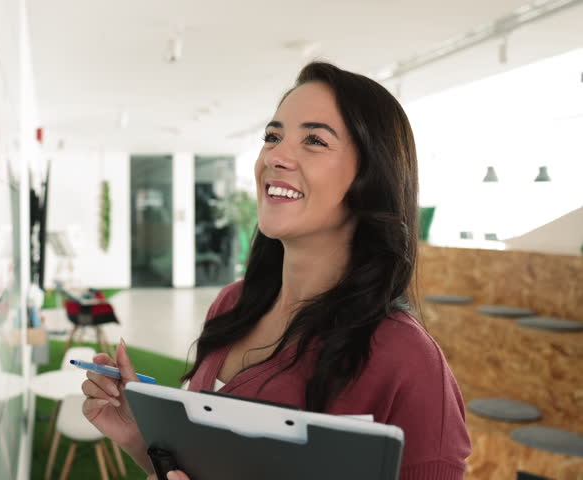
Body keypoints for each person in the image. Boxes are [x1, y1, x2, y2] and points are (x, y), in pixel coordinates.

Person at [81, 61, 472, 480]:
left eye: (314, 141)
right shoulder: (231, 305)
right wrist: (141, 438)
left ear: (371, 177)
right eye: (272, 136)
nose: (275, 156)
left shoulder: (407, 360)